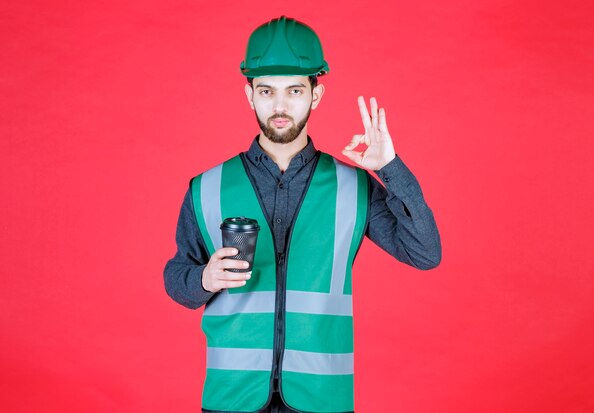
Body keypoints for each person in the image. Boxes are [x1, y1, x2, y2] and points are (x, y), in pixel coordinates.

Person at [164, 15, 441, 413]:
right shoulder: (206, 186)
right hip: (231, 397)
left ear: (316, 95)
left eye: (294, 90)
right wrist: (204, 278)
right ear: (250, 96)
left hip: (321, 398)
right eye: (266, 91)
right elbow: (176, 277)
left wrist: (390, 168)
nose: (279, 105)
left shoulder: (353, 186)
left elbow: (425, 253)